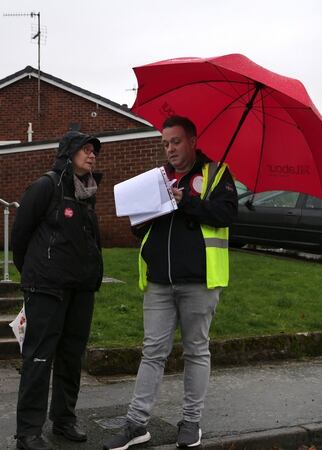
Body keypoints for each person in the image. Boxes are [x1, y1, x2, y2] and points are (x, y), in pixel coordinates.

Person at [103, 116, 237, 450]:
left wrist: (186, 200)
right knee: (152, 352)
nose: (170, 149)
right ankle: (136, 423)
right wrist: (139, 218)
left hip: (199, 280)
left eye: (175, 141)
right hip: (159, 280)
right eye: (165, 143)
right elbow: (141, 226)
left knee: (196, 351)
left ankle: (191, 422)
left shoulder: (217, 174)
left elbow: (226, 214)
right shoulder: (157, 178)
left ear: (192, 140)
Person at [12, 130, 104, 450]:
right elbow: (20, 236)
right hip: (47, 289)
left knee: (70, 357)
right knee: (39, 358)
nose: (92, 155)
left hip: (80, 290)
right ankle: (28, 431)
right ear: (68, 152)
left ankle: (64, 420)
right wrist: (35, 276)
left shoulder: (87, 192)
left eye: (95, 151)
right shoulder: (45, 186)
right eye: (85, 149)